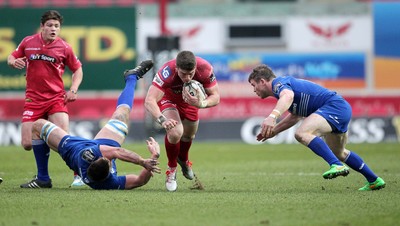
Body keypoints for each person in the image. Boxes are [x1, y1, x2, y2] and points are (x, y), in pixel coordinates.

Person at [248, 64, 386, 191]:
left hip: (333, 107)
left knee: (302, 133)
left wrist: (272, 117)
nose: (254, 90)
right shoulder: (283, 90)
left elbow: (288, 96)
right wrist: (273, 131)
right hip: (339, 108)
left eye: (254, 85)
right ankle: (374, 180)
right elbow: (295, 116)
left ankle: (336, 165)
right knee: (339, 152)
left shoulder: (279, 84)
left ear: (262, 81)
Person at [28, 60, 161, 190]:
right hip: (101, 144)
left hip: (69, 148)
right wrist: (153, 158)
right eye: (107, 159)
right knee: (121, 114)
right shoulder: (111, 183)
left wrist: (143, 162)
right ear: (110, 170)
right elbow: (139, 181)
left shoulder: (88, 155)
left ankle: (43, 178)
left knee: (37, 126)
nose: (107, 157)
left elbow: (117, 152)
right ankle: (131, 78)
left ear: (92, 161)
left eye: (102, 157)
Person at [7, 10, 85, 188]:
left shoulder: (65, 47)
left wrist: (73, 89)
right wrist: (12, 61)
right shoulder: (28, 42)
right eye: (50, 25)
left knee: (63, 141)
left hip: (56, 99)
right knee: (27, 143)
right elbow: (12, 56)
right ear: (42, 27)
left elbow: (78, 70)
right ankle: (43, 178)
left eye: (56, 26)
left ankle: (77, 173)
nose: (53, 29)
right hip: (33, 100)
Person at [144, 50, 220, 191]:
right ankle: (171, 169)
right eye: (183, 74)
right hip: (169, 99)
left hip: (191, 102)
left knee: (189, 135)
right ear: (177, 68)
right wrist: (162, 120)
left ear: (195, 67)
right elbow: (149, 100)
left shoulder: (205, 68)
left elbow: (216, 96)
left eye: (190, 73)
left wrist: (201, 104)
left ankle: (184, 161)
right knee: (175, 132)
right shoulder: (166, 72)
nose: (187, 78)